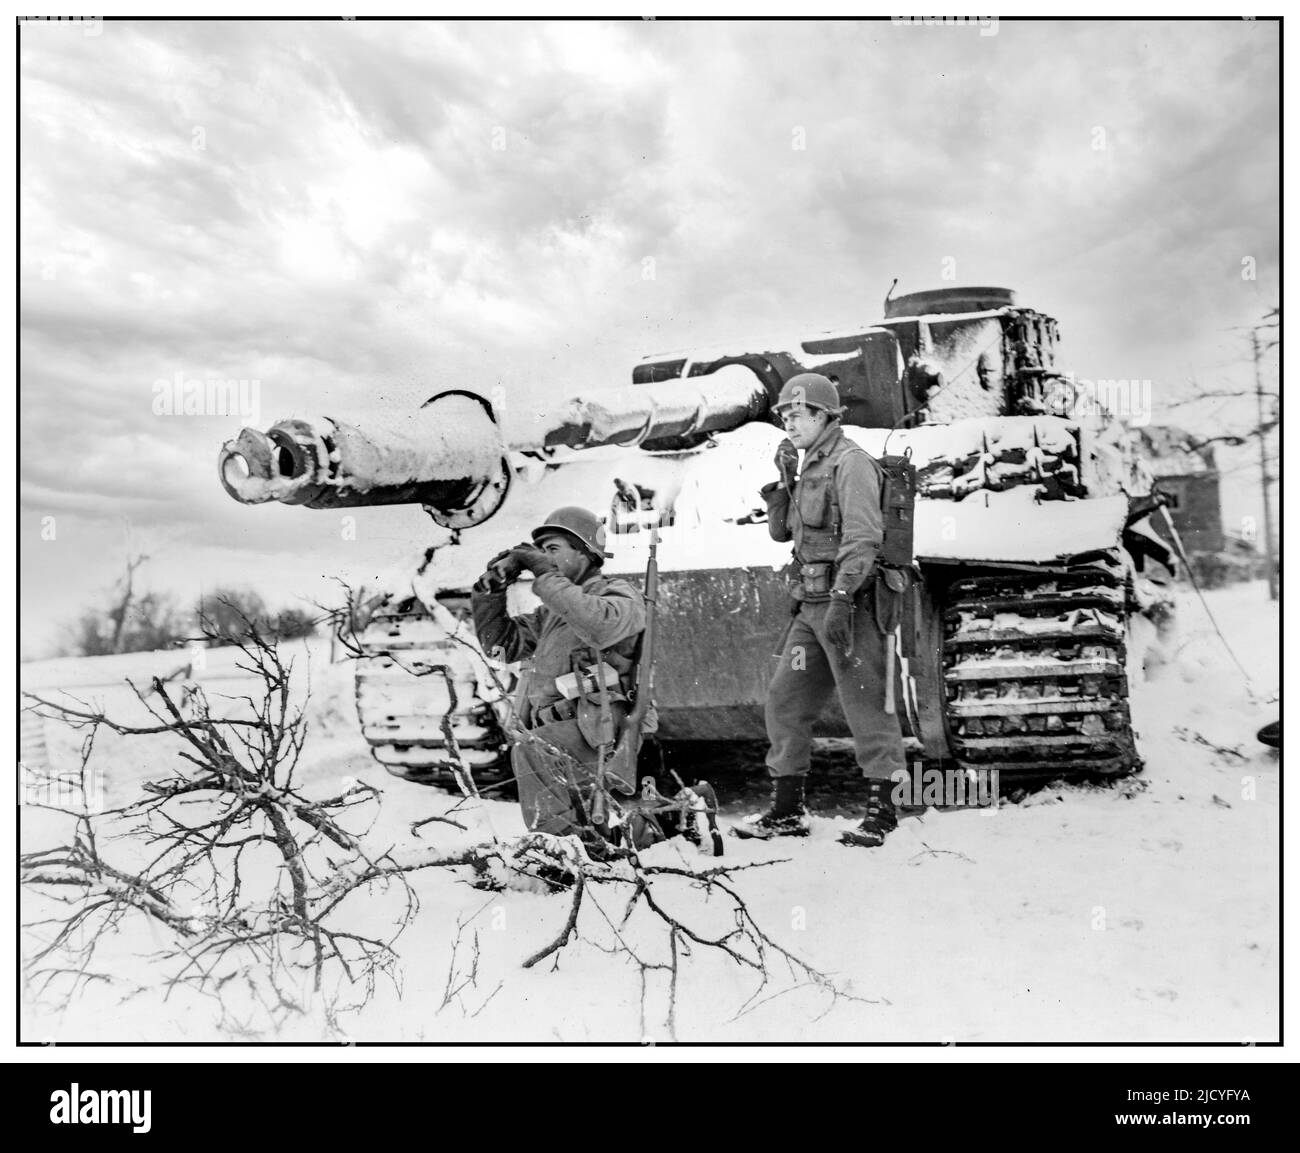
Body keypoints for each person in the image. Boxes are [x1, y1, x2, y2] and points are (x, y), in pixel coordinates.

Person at [735, 373, 908, 847]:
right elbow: (789, 537)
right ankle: (787, 810)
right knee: (785, 700)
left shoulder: (850, 464)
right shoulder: (806, 463)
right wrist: (784, 484)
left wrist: (842, 598)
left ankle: (884, 814)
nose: (790, 422)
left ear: (825, 416)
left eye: (799, 414)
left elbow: (863, 537)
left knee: (867, 703)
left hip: (849, 605)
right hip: (810, 608)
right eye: (785, 415)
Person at [471, 505, 655, 844]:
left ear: (585, 553)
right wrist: (490, 593)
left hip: (598, 728)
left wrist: (543, 574)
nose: (545, 558)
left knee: (532, 753)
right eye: (540, 552)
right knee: (587, 814)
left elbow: (600, 626)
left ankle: (564, 854)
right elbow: (500, 648)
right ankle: (654, 829)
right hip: (563, 728)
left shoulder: (618, 594)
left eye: (553, 549)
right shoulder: (551, 614)